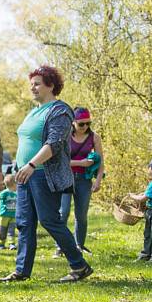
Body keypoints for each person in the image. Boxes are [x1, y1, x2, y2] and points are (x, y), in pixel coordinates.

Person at [0, 65, 93, 283]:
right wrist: (19, 167)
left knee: (49, 219)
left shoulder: (59, 110)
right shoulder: (33, 112)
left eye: (37, 84)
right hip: (25, 175)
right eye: (31, 84)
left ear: (51, 85)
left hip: (42, 173)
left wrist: (31, 164)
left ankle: (79, 266)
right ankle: (22, 270)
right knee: (23, 222)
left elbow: (55, 143)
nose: (33, 88)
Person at [54, 107, 105, 257]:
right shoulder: (65, 136)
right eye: (81, 124)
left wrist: (98, 181)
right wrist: (82, 163)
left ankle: (79, 245)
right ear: (73, 122)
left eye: (88, 123)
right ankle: (60, 247)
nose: (85, 127)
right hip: (65, 178)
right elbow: (60, 161)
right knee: (63, 213)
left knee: (81, 215)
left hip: (84, 180)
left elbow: (100, 162)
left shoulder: (94, 137)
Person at [0, 174, 17, 250]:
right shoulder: (4, 192)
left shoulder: (16, 193)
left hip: (13, 215)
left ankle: (12, 243)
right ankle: (1, 244)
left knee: (12, 230)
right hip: (4, 215)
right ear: (14, 184)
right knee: (2, 230)